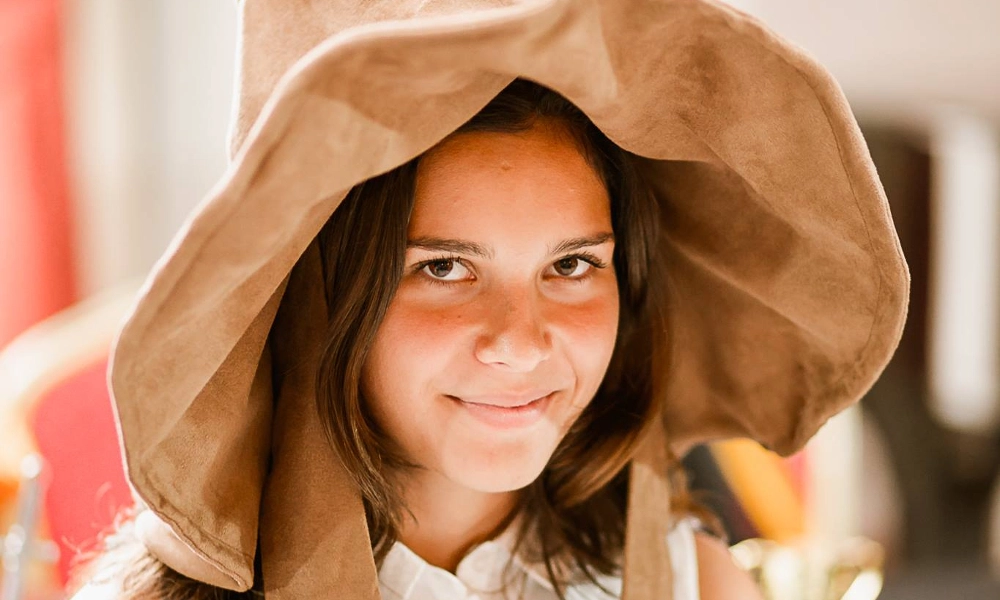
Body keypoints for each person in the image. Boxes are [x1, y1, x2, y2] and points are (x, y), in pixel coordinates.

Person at [69, 0, 910, 599]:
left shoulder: (700, 585)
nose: (522, 340)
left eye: (573, 264)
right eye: (443, 269)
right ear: (323, 296)